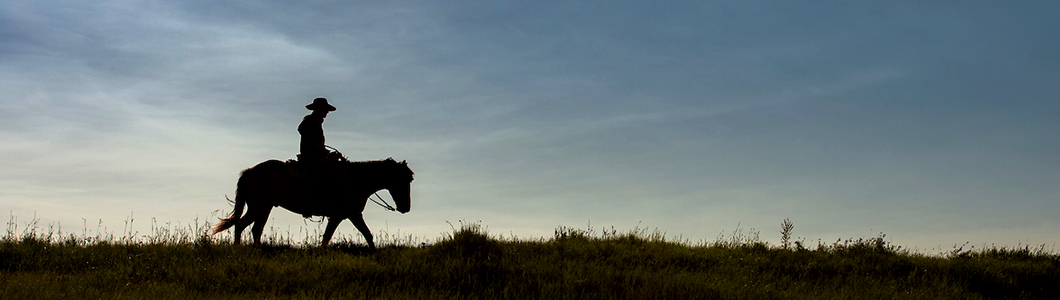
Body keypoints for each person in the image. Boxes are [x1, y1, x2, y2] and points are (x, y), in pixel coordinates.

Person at [299, 97, 336, 175]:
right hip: (310, 157)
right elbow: (301, 129)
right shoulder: (309, 120)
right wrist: (316, 143)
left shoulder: (316, 121)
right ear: (319, 108)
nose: (327, 112)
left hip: (315, 156)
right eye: (325, 109)